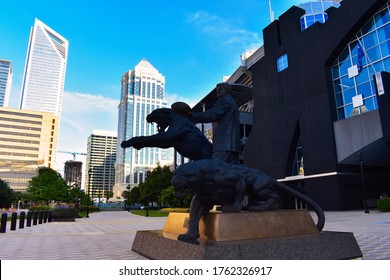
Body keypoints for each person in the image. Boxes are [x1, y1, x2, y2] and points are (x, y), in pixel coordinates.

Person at [189, 82, 241, 164]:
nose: (217, 91)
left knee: (217, 168)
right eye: (217, 90)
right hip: (232, 146)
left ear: (227, 90)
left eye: (220, 89)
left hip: (223, 144)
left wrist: (192, 116)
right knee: (231, 171)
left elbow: (211, 115)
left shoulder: (224, 101)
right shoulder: (232, 102)